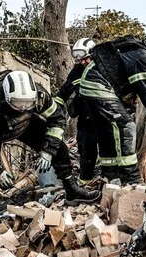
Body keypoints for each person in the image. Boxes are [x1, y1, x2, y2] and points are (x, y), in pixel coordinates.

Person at [0, 69, 100, 232]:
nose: (23, 108)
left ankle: (72, 189)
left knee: (58, 147)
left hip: (26, 124)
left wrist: (48, 151)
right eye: (18, 104)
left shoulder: (39, 94)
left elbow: (57, 120)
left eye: (27, 104)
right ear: (6, 97)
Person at [78, 31, 146, 184]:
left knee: (109, 132)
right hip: (97, 85)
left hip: (91, 85)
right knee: (126, 126)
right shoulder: (145, 59)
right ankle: (132, 179)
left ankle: (110, 175)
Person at [55, 38, 100, 184]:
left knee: (110, 150)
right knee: (86, 149)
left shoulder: (104, 67)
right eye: (80, 60)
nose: (83, 63)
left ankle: (111, 180)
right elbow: (63, 94)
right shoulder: (76, 72)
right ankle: (85, 181)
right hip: (86, 118)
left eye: (86, 58)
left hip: (105, 116)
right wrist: (52, 114)